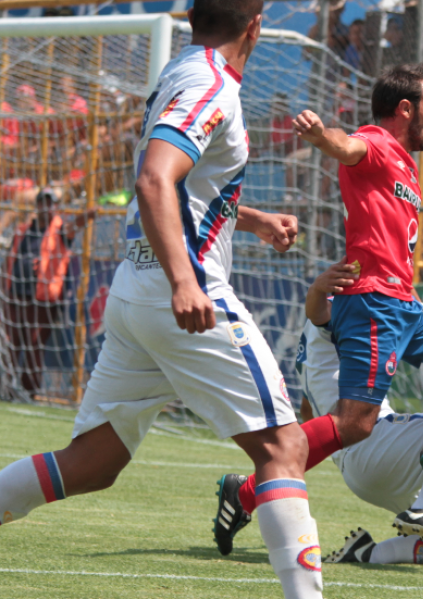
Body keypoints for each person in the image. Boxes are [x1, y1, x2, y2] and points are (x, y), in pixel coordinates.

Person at [0, 3, 326, 599]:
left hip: (137, 291)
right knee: (285, 446)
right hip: (181, 295)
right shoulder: (210, 84)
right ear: (255, 27)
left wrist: (250, 220)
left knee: (95, 462)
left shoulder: (183, 70)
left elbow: (183, 185)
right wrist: (183, 280)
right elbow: (154, 179)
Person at [289, 64, 423, 546]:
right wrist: (321, 137)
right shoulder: (378, 143)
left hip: (402, 302)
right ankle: (255, 485)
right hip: (374, 301)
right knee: (354, 425)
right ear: (406, 109)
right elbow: (348, 146)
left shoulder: (407, 164)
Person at [213, 262, 423, 564]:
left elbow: (309, 413)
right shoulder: (357, 302)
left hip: (361, 470)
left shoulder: (322, 342)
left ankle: (367, 553)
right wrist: (319, 290)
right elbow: (322, 312)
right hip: (375, 444)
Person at [2, 187, 95, 394]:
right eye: (42, 202)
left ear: (56, 207)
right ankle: (7, 388)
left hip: (43, 299)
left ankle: (29, 392)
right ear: (37, 205)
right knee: (11, 344)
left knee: (34, 344)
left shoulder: (60, 230)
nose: (46, 207)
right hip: (16, 295)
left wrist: (88, 213)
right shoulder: (23, 230)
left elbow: (76, 225)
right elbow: (10, 260)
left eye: (50, 203)